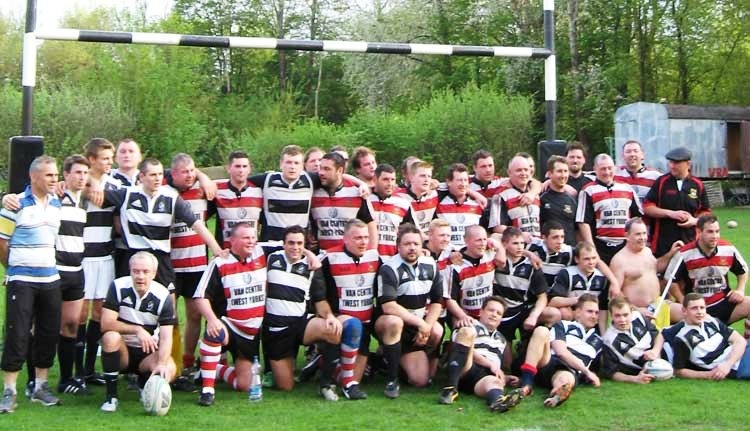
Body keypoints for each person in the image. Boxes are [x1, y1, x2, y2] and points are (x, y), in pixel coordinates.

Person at [0, 155, 63, 413]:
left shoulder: (57, 203)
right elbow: (2, 243)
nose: (54, 179)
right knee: (17, 333)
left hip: (50, 279)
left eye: (56, 175)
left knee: (48, 333)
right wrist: (13, 269)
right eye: (49, 175)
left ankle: (40, 387)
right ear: (34, 177)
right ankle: (9, 391)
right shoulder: (14, 204)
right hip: (22, 280)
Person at [262, 226, 347, 400]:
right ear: (283, 244)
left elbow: (320, 300)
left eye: (300, 243)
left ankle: (326, 385)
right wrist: (220, 252)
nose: (295, 247)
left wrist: (330, 316)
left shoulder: (312, 266)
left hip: (300, 324)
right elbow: (248, 245)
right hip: (276, 330)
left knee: (333, 330)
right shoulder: (271, 257)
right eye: (291, 243)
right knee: (286, 386)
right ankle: (311, 365)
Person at [193, 223, 271, 406]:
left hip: (251, 332)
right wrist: (212, 320)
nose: (251, 241)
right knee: (214, 332)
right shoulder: (220, 262)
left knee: (245, 385)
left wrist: (308, 254)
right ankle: (207, 391)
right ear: (232, 241)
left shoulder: (262, 252)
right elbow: (200, 297)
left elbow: (291, 245)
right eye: (246, 238)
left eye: (253, 237)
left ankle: (212, 368)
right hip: (230, 324)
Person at [98, 252, 177, 412]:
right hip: (123, 352)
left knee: (169, 368)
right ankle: (111, 397)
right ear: (130, 271)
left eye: (145, 272)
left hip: (147, 353)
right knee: (110, 337)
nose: (140, 276)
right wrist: (137, 330)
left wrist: (161, 363)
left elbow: (166, 337)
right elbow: (106, 324)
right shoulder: (118, 287)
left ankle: (145, 384)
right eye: (136, 271)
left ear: (154, 273)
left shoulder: (163, 296)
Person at [310, 219, 380, 399]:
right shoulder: (328, 258)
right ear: (345, 239)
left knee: (354, 376)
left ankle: (323, 362)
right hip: (340, 322)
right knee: (349, 379)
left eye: (366, 237)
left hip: (365, 325)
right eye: (358, 238)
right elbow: (318, 297)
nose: (363, 242)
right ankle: (346, 383)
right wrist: (329, 316)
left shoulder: (375, 257)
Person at [374, 223, 444, 398]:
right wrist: (421, 324)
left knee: (437, 330)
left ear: (422, 246)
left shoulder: (431, 265)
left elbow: (437, 302)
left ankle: (389, 359)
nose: (412, 248)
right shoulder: (389, 268)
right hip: (392, 324)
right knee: (394, 322)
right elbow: (388, 306)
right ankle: (392, 380)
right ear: (398, 246)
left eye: (416, 244)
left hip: (417, 325)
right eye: (407, 244)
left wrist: (427, 327)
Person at [663, 214, 750, 336]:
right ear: (699, 232)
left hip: (723, 303)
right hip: (696, 306)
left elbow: (743, 271)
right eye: (710, 232)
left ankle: (746, 344)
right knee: (664, 309)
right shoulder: (685, 253)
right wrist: (683, 301)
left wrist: (740, 290)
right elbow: (670, 280)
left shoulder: (728, 249)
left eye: (717, 231)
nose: (715, 236)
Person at [166, 153, 211, 383]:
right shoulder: (164, 189)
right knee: (169, 316)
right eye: (185, 172)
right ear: (173, 174)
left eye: (193, 170)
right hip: (171, 265)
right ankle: (168, 361)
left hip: (197, 264)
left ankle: (187, 361)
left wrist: (204, 178)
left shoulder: (202, 191)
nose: (190, 175)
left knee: (194, 314)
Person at [438, 296, 524, 413]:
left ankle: (498, 402)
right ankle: (450, 389)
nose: (494, 315)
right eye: (491, 310)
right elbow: (459, 349)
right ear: (481, 312)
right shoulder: (469, 325)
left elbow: (500, 367)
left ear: (501, 319)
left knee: (494, 382)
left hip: (483, 377)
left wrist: (506, 377)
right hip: (466, 367)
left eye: (498, 313)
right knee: (466, 332)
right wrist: (490, 364)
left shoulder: (502, 339)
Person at [518, 294, 603, 408]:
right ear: (578, 312)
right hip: (548, 362)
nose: (594, 316)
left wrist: (589, 376)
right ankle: (526, 383)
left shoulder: (599, 341)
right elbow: (561, 352)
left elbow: (596, 368)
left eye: (596, 313)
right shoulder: (563, 325)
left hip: (569, 371)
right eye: (590, 312)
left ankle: (557, 395)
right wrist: (587, 372)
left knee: (566, 378)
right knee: (541, 331)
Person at [54, 155, 91, 395]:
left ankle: (66, 379)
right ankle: (33, 381)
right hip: (55, 271)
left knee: (70, 325)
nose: (81, 177)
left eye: (85, 173)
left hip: (76, 272)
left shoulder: (84, 203)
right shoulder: (55, 200)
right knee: (42, 326)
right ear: (66, 175)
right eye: (77, 172)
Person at [609, 217, 683, 323]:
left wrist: (670, 254)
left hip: (658, 304)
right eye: (638, 234)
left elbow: (655, 267)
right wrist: (635, 309)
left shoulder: (647, 251)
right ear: (627, 236)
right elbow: (615, 293)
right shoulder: (619, 260)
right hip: (635, 310)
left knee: (688, 313)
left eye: (644, 233)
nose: (642, 237)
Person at [493, 227, 552, 356]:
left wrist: (533, 316)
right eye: (515, 243)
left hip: (521, 309)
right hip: (501, 311)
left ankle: (528, 342)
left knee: (553, 314)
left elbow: (542, 297)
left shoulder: (531, 266)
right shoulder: (496, 260)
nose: (520, 247)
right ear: (504, 244)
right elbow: (494, 237)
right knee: (507, 363)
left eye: (522, 243)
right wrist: (501, 249)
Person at [643, 146, 711, 258]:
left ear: (688, 164)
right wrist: (670, 213)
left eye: (676, 163)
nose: (672, 166)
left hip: (691, 242)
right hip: (663, 244)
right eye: (670, 162)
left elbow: (706, 212)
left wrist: (694, 221)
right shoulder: (661, 182)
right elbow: (647, 207)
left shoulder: (697, 184)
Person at [576, 153, 642, 264]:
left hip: (625, 246)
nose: (607, 172)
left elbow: (637, 218)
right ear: (595, 169)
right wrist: (592, 249)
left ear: (614, 168)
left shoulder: (627, 189)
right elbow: (583, 222)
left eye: (610, 168)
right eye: (603, 169)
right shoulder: (588, 191)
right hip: (601, 246)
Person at [672, 293, 750, 380]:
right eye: (694, 308)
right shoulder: (682, 339)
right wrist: (708, 375)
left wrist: (728, 364)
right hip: (739, 366)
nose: (699, 312)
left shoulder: (711, 321)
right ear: (684, 311)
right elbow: (679, 371)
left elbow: (740, 341)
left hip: (741, 352)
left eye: (702, 308)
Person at [310, 152, 377, 252]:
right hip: (321, 256)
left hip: (348, 256)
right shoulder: (313, 192)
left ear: (340, 170)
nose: (321, 173)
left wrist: (372, 254)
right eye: (321, 168)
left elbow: (370, 225)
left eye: (327, 169)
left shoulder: (357, 193)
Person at [446, 225, 503, 328]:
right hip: (465, 314)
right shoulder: (456, 266)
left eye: (484, 239)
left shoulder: (490, 254)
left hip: (487, 314)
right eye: (478, 240)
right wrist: (463, 316)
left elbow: (502, 261)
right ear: (466, 241)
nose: (482, 244)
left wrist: (499, 247)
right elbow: (450, 300)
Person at [601, 297, 665, 384]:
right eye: (617, 316)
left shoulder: (638, 317)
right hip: (642, 370)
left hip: (661, 355)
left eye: (625, 315)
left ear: (631, 312)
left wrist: (655, 351)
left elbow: (658, 335)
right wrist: (635, 379)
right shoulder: (608, 340)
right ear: (611, 315)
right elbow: (611, 373)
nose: (622, 320)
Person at [548, 242, 609, 333]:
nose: (591, 262)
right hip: (571, 314)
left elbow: (603, 308)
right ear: (577, 259)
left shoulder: (602, 278)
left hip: (592, 317)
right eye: (586, 259)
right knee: (565, 312)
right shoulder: (567, 274)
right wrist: (580, 301)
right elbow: (553, 301)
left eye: (594, 258)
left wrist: (603, 334)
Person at [214, 151, 263, 249]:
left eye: (244, 166)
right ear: (228, 168)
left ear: (249, 169)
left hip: (252, 253)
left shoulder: (259, 191)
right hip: (227, 252)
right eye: (237, 166)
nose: (241, 170)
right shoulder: (217, 190)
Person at [489, 156, 541, 240]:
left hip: (537, 243)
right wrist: (519, 235)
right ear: (509, 172)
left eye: (526, 170)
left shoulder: (536, 193)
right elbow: (497, 227)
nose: (523, 173)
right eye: (519, 170)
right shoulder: (500, 196)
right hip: (515, 244)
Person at [435, 163, 486, 248]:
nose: (463, 184)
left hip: (471, 252)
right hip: (446, 252)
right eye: (459, 180)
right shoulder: (438, 202)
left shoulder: (477, 204)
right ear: (449, 182)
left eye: (465, 180)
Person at [368, 164, 411, 257]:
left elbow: (410, 231)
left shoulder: (403, 203)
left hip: (392, 259)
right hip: (367, 258)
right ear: (375, 179)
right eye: (385, 179)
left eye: (393, 180)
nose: (390, 183)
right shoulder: (365, 199)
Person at [540, 156, 577, 246]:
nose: (563, 175)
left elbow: (577, 229)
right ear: (550, 174)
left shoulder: (572, 200)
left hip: (570, 250)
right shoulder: (542, 199)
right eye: (559, 171)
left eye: (565, 171)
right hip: (550, 251)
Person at [396, 161, 439, 237]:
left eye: (429, 176)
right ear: (411, 178)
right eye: (422, 176)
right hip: (408, 239)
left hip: (429, 240)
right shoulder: (399, 196)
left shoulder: (435, 194)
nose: (426, 179)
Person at [527, 221, 574, 287]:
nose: (560, 242)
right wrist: (529, 254)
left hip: (555, 291)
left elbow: (586, 252)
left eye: (562, 237)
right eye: (555, 237)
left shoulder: (568, 252)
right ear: (544, 238)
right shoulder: (532, 245)